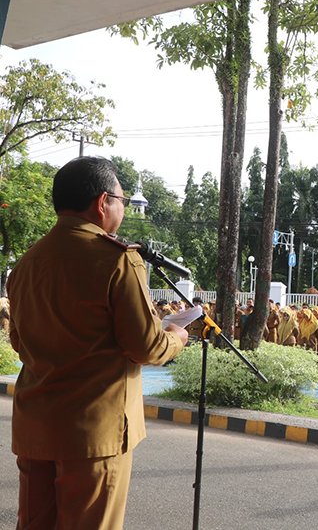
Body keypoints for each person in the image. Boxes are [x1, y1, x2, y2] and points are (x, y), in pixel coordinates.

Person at [7, 156, 189, 529]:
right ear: (103, 202)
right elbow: (145, 347)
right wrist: (176, 336)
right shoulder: (118, 261)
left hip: (35, 428)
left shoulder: (27, 263)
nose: (122, 209)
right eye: (122, 201)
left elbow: (19, 342)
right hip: (94, 435)